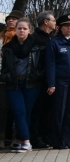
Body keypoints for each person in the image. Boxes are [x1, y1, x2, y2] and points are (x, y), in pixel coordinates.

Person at [2, 18, 45, 153]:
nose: (22, 31)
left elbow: (43, 65)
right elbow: (4, 67)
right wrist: (5, 76)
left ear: (29, 30)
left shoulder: (37, 46)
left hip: (31, 84)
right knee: (18, 111)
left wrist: (38, 75)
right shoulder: (8, 47)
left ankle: (19, 140)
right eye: (19, 28)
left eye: (24, 28)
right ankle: (27, 141)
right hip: (13, 84)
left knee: (27, 112)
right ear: (15, 30)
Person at [45, 14, 70, 150]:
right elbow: (50, 65)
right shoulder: (55, 43)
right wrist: (51, 83)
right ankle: (58, 141)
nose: (69, 28)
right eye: (66, 26)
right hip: (60, 81)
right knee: (59, 112)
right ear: (60, 28)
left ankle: (68, 140)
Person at [29, 11, 55, 149]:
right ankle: (36, 138)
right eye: (53, 20)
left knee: (47, 110)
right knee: (37, 110)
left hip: (48, 79)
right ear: (46, 22)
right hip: (38, 80)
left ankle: (46, 136)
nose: (55, 23)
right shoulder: (34, 38)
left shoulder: (50, 37)